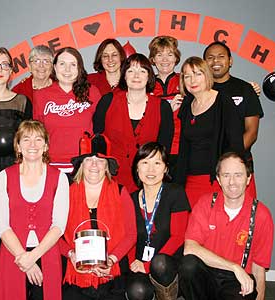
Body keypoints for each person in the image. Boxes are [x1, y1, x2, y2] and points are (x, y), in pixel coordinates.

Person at [179, 152, 274, 300]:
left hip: (237, 281)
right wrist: (234, 267)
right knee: (188, 264)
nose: (232, 182)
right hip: (208, 275)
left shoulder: (261, 215)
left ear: (248, 178)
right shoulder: (205, 203)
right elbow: (190, 248)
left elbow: (259, 267)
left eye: (238, 175)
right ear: (218, 179)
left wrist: (260, 297)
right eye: (226, 175)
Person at [0, 120, 69, 300]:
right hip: (13, 255)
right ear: (18, 146)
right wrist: (24, 259)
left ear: (46, 146)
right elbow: (2, 225)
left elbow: (59, 225)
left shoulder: (60, 178)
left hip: (47, 253)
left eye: (38, 139)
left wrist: (33, 256)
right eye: (26, 139)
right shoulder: (3, 177)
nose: (32, 145)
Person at [60, 134, 136, 300]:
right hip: (75, 272)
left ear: (107, 166)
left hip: (112, 271)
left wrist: (111, 260)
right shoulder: (65, 193)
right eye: (89, 159)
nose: (94, 164)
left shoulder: (121, 192)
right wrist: (71, 255)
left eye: (100, 160)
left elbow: (131, 235)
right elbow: (55, 233)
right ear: (81, 164)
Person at [93, 53, 174, 192]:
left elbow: (164, 149)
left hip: (148, 182)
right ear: (124, 75)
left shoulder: (162, 107)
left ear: (149, 76)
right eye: (131, 71)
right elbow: (97, 141)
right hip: (112, 180)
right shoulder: (108, 101)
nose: (136, 76)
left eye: (142, 71)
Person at [174, 56, 244, 208]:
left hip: (215, 180)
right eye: (187, 76)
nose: (193, 80)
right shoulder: (186, 105)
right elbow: (183, 147)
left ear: (207, 75)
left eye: (198, 74)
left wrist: (228, 177)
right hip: (190, 181)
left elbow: (236, 144)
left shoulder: (223, 102)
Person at [126, 142, 190, 300]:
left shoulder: (176, 193)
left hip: (168, 264)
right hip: (141, 262)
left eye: (157, 163)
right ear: (137, 168)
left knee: (160, 264)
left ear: (166, 168)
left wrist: (149, 265)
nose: (151, 169)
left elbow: (178, 237)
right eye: (145, 163)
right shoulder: (129, 199)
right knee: (137, 290)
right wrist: (133, 263)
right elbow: (127, 236)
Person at [203, 42, 264, 198]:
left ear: (230, 61)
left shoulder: (245, 89)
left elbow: (252, 132)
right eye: (210, 57)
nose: (215, 61)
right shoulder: (199, 92)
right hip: (207, 171)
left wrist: (229, 160)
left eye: (221, 57)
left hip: (239, 166)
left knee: (244, 218)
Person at [34, 47, 101, 173]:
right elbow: (37, 133)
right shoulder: (41, 95)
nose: (67, 69)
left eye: (73, 64)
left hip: (84, 166)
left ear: (79, 68)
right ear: (54, 67)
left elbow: (100, 129)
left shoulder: (92, 92)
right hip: (51, 166)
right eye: (62, 64)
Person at [148, 36, 184, 178]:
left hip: (181, 149)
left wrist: (246, 88)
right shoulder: (146, 83)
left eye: (169, 55)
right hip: (155, 151)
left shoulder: (185, 80)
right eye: (159, 55)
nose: (165, 59)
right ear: (153, 59)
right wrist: (168, 109)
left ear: (176, 58)